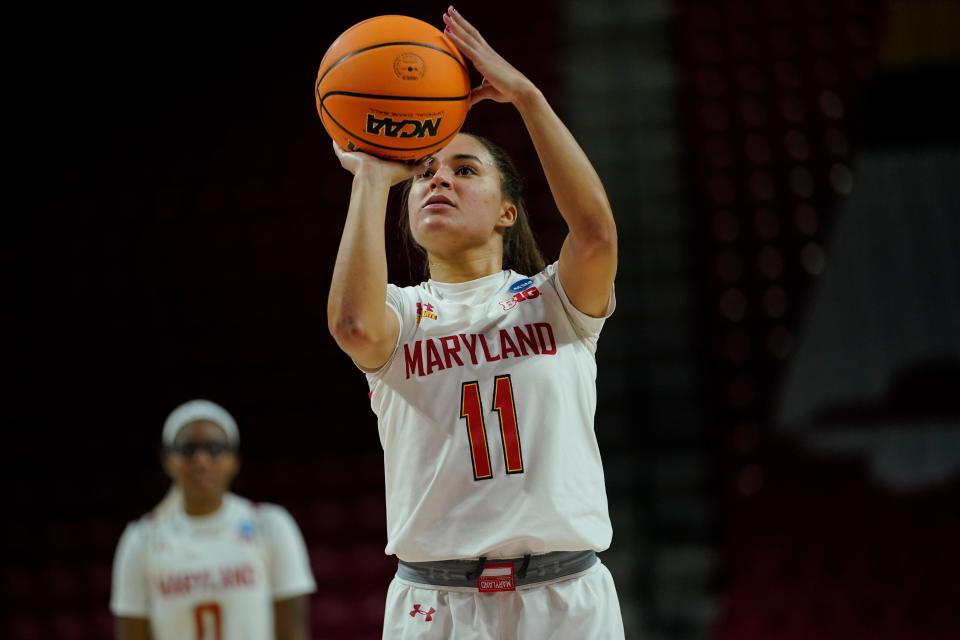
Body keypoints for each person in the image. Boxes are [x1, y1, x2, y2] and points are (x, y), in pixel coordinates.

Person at [328, 6, 625, 638]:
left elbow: (596, 232)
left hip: (564, 597)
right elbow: (353, 326)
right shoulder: (402, 315)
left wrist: (525, 96)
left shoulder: (555, 302)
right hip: (436, 604)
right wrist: (376, 177)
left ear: (508, 213)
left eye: (466, 170)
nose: (440, 180)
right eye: (426, 173)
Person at [109, 399, 316, 640]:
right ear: (168, 460)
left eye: (215, 448)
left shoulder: (271, 525)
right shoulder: (141, 538)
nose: (201, 460)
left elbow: (294, 634)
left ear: (233, 459)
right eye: (188, 449)